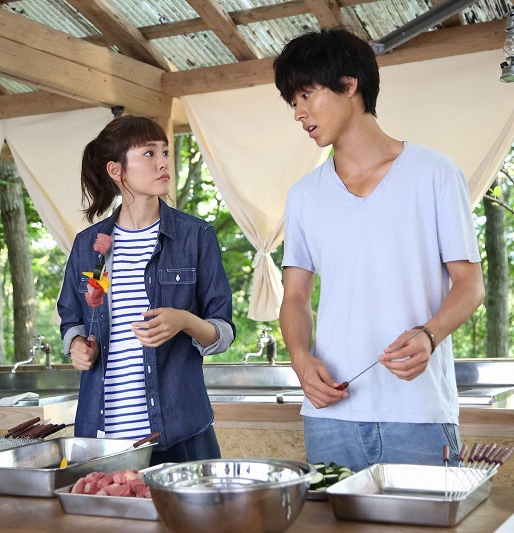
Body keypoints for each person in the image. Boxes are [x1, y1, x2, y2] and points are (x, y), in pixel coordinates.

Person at [273, 29, 485, 472]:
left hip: (419, 413)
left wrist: (430, 334)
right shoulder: (304, 195)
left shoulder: (435, 173)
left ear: (349, 84)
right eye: (293, 102)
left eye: (306, 95)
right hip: (329, 415)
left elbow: (470, 284)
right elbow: (294, 297)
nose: (299, 113)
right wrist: (300, 358)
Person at [57, 115, 235, 465]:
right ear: (116, 170)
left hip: (180, 432)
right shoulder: (89, 246)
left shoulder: (195, 236)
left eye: (165, 152)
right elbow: (72, 320)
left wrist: (184, 320)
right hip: (103, 438)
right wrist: (77, 345)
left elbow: (223, 332)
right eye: (149, 153)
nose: (164, 162)